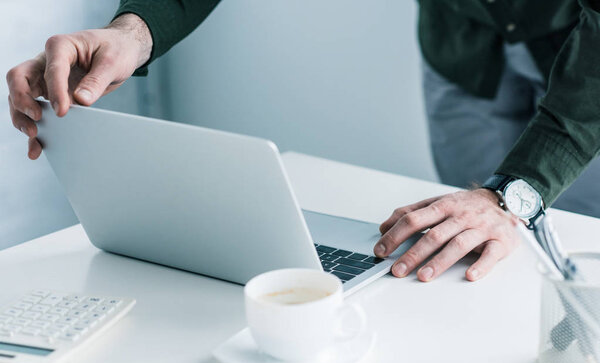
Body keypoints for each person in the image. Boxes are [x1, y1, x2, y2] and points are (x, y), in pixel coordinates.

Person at [7, 1, 600, 283]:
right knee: (463, 253)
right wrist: (132, 33)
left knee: (578, 251)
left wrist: (514, 195)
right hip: (464, 49)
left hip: (583, 54)